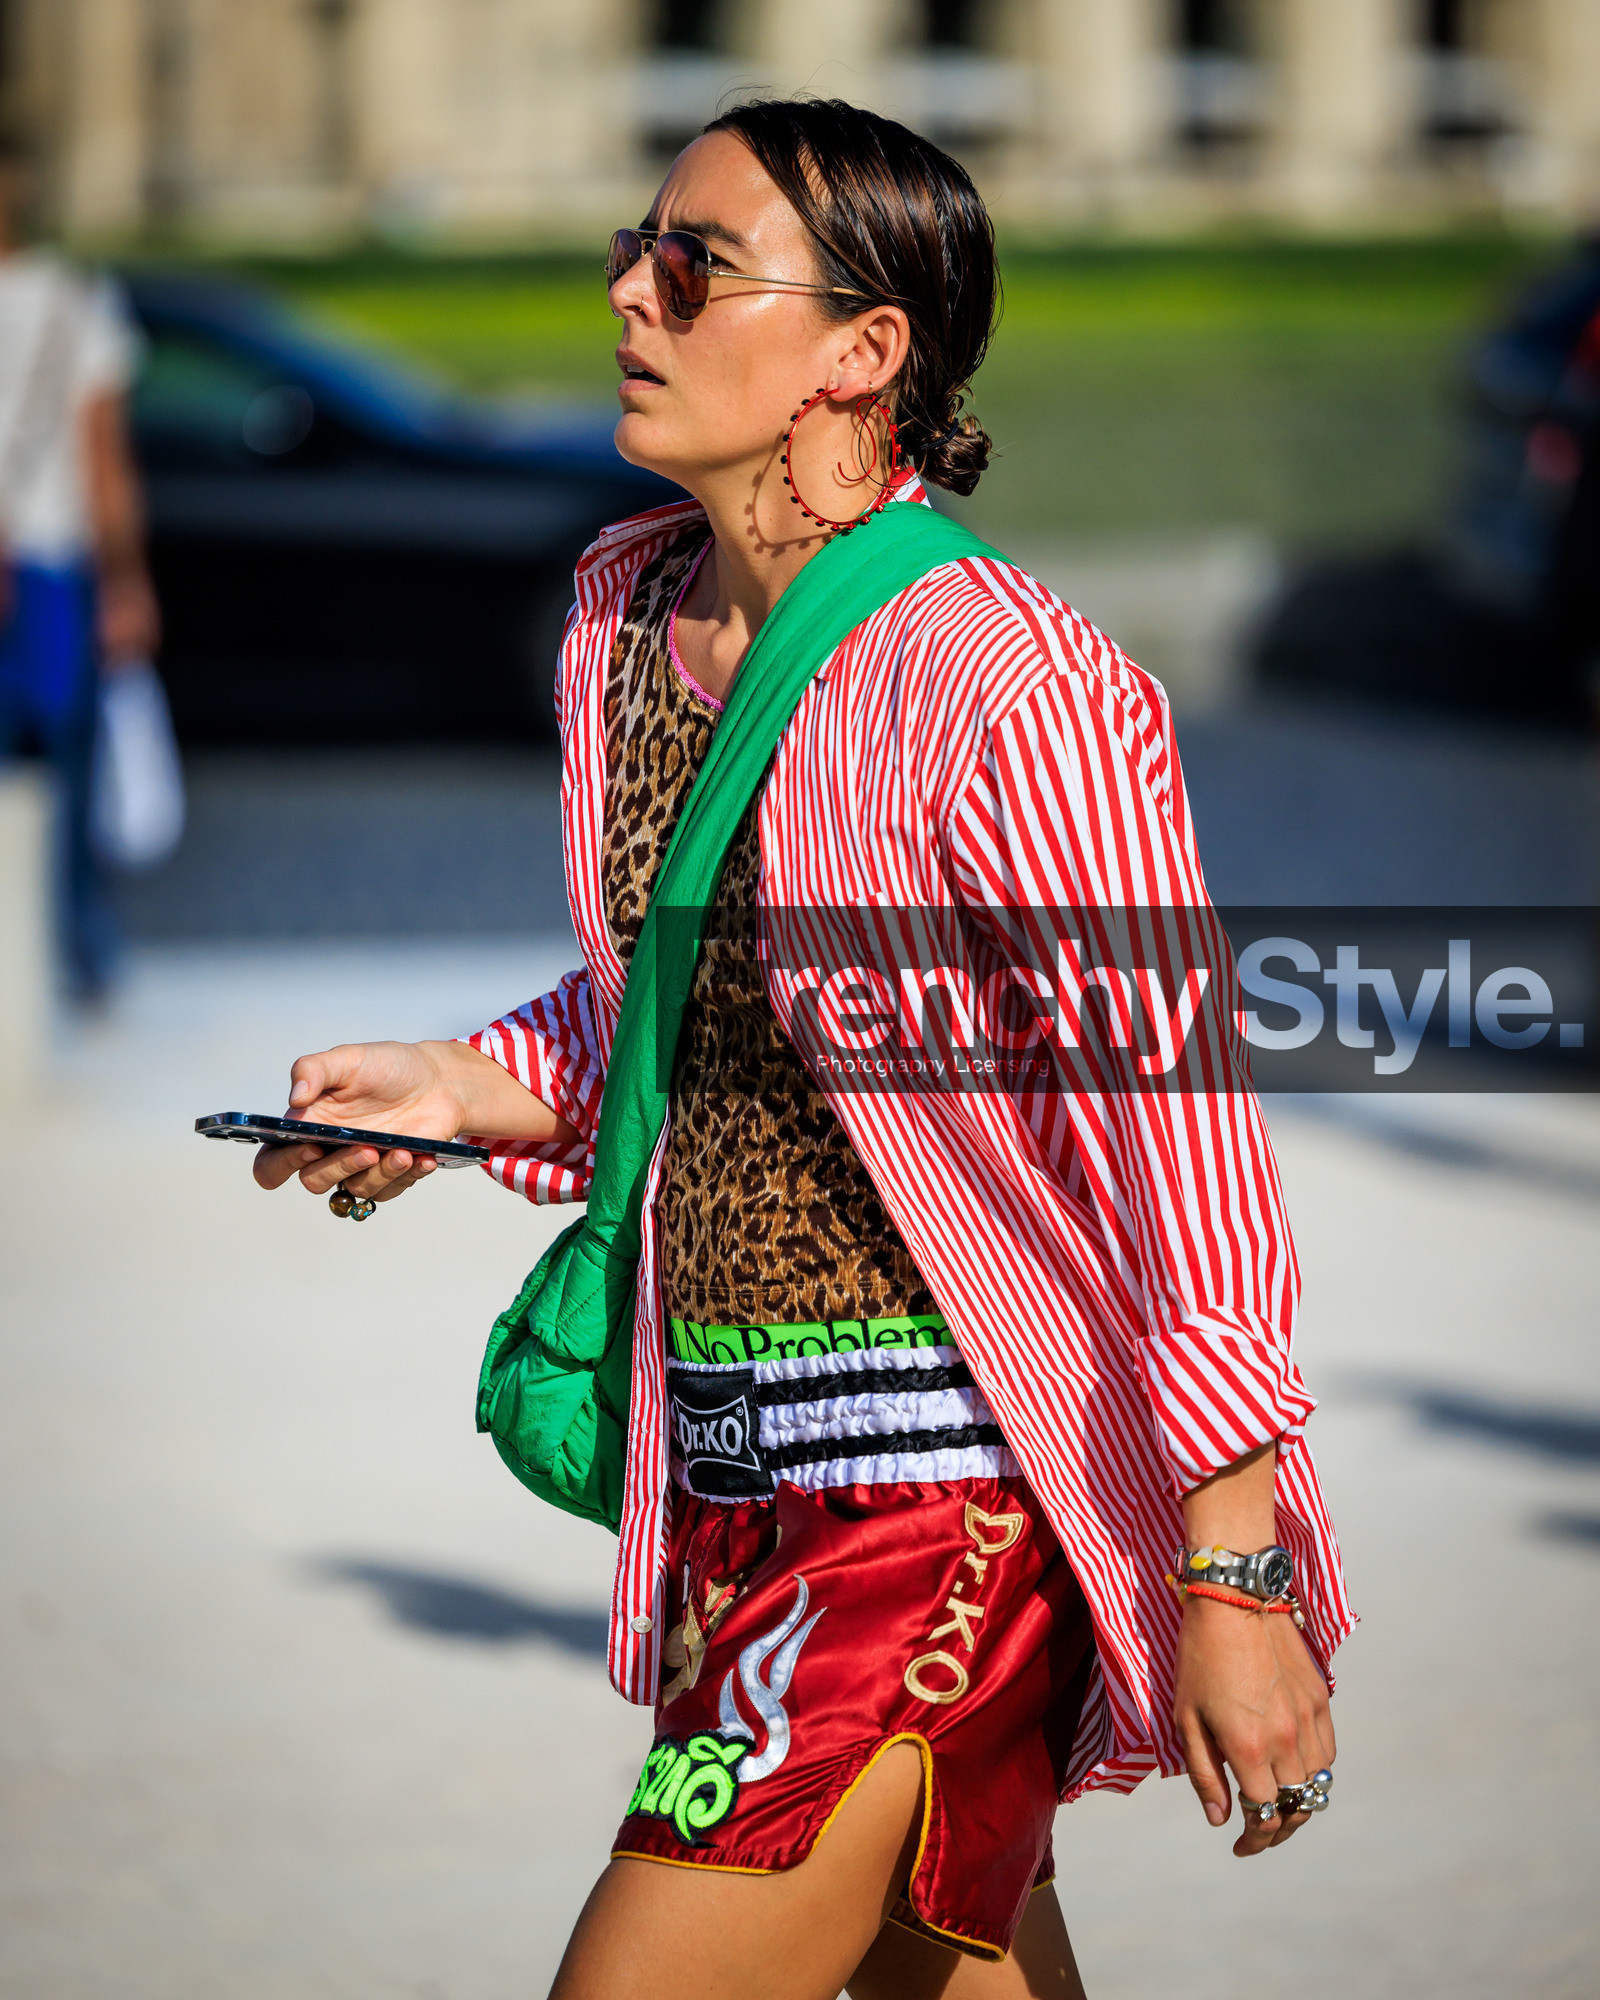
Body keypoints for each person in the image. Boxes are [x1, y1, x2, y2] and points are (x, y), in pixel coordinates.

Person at [252, 100, 1350, 1999]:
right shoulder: (627, 620)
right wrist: (459, 1085)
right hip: (735, 1499)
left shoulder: (1008, 680)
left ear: (864, 353)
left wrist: (1232, 1574)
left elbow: (1187, 1160)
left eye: (692, 264)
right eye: (636, 245)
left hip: (945, 1515)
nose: (628, 291)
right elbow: (699, 1016)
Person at [0, 125, 160, 1001]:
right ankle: (73, 958)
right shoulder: (73, 300)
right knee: (64, 780)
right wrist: (128, 582)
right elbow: (104, 462)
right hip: (49, 574)